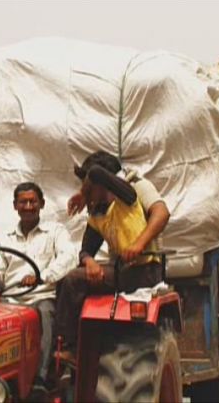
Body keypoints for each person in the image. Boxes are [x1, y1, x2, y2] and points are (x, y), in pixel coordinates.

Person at [55, 151, 171, 361]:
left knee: (73, 280)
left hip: (144, 269)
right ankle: (66, 349)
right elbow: (86, 250)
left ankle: (72, 348)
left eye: (90, 186)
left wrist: (138, 244)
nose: (88, 193)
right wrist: (89, 262)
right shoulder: (98, 213)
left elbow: (162, 213)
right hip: (121, 271)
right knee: (66, 282)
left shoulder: (129, 194)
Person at [0, 182, 77, 391]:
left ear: (42, 204)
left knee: (45, 314)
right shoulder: (5, 238)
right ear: (15, 206)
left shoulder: (55, 232)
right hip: (9, 299)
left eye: (33, 201)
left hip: (40, 296)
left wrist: (41, 276)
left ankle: (40, 377)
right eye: (23, 202)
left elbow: (69, 257)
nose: (29, 206)